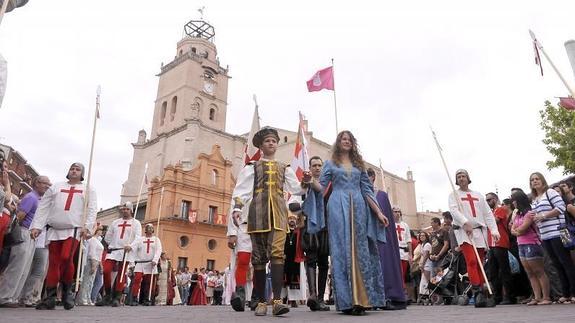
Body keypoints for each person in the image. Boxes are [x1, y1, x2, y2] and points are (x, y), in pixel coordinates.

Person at [305, 130, 388, 315]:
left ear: (353, 143)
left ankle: (363, 300)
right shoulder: (330, 163)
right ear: (338, 142)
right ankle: (347, 302)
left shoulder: (359, 165)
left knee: (361, 251)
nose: (346, 141)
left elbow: (367, 190)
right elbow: (321, 187)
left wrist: (379, 212)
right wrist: (311, 181)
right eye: (343, 139)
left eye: (349, 139)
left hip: (359, 207)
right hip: (337, 206)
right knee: (341, 250)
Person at [230, 127, 305, 316]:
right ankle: (262, 301)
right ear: (261, 145)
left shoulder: (284, 167)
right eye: (267, 141)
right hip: (257, 215)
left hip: (279, 216)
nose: (271, 143)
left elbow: (297, 189)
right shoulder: (251, 167)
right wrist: (238, 208)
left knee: (278, 255)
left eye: (274, 141)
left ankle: (277, 301)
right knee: (259, 258)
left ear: (277, 144)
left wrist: (307, 182)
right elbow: (241, 191)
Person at [30, 163, 98, 310]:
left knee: (66, 258)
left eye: (77, 169)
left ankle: (67, 292)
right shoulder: (55, 187)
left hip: (73, 229)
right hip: (54, 228)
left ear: (82, 173)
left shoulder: (88, 189)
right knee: (54, 262)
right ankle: (50, 297)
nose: (74, 171)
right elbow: (44, 206)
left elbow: (92, 209)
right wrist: (37, 226)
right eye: (72, 169)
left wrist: (87, 227)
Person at [448, 169, 499, 307]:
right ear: (456, 180)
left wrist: (494, 230)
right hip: (465, 232)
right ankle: (477, 293)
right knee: (471, 261)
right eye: (458, 176)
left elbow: (487, 213)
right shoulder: (454, 195)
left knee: (480, 263)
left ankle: (484, 292)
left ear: (468, 178)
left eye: (463, 176)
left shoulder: (478, 195)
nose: (461, 178)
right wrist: (465, 222)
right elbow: (454, 211)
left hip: (479, 232)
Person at [0, 176, 50, 308]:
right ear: (37, 183)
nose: (48, 186)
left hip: (31, 234)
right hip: (24, 232)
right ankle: (4, 296)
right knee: (16, 267)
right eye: (46, 184)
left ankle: (13, 296)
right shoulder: (31, 198)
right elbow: (20, 216)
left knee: (24, 269)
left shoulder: (38, 199)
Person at [530, 172, 575, 303]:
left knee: (566, 262)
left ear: (543, 180)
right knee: (556, 264)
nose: (535, 181)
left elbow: (561, 208)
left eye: (537, 179)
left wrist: (543, 216)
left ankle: (573, 292)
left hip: (558, 232)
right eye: (532, 180)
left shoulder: (550, 192)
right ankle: (565, 293)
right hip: (545, 235)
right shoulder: (535, 199)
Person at [367, 168, 407, 310]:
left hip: (381, 238)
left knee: (384, 265)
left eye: (366, 176)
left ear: (372, 177)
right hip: (365, 237)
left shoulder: (381, 196)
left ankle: (388, 296)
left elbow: (387, 222)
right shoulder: (359, 194)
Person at [510, 190, 551, 305]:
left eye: (514, 200)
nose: (513, 203)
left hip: (532, 243)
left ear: (518, 200)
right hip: (521, 244)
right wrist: (516, 231)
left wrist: (516, 231)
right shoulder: (517, 214)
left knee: (539, 271)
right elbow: (512, 230)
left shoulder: (530, 213)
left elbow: (523, 229)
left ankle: (546, 297)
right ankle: (537, 297)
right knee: (530, 273)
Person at [98, 202, 142, 306]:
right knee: (106, 270)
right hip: (114, 250)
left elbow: (138, 237)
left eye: (127, 209)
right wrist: (114, 244)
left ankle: (117, 297)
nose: (124, 211)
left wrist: (130, 246)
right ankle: (107, 295)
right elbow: (108, 237)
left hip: (126, 251)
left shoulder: (136, 223)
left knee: (121, 275)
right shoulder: (115, 222)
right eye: (123, 209)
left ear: (131, 210)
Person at [301, 156, 330, 311]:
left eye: (320, 165)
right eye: (314, 165)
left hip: (325, 224)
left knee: (324, 261)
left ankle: (320, 299)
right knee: (311, 259)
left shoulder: (328, 183)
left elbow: (324, 193)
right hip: (310, 224)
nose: (317, 168)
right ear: (310, 167)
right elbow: (298, 197)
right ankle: (312, 295)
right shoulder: (304, 183)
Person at [485, 192, 514, 305]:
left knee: (504, 271)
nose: (488, 202)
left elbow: (493, 222)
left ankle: (510, 296)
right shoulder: (490, 212)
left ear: (495, 199)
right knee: (493, 272)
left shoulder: (500, 209)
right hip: (492, 244)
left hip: (500, 243)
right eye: (486, 200)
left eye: (489, 199)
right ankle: (497, 296)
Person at [126, 224, 162, 306]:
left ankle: (147, 299)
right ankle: (134, 298)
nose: (149, 229)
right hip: (140, 263)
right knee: (137, 280)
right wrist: (129, 247)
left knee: (149, 282)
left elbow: (158, 250)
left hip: (150, 263)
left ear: (153, 230)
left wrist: (155, 260)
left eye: (151, 228)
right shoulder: (140, 239)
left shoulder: (156, 240)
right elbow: (134, 246)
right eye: (148, 228)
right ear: (145, 230)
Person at [77, 225, 104, 305]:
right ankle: (82, 298)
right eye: (99, 229)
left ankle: (88, 298)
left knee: (91, 281)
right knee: (87, 280)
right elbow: (92, 252)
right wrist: (93, 263)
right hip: (91, 260)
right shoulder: (92, 240)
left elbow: (100, 254)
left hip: (97, 260)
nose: (101, 231)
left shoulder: (98, 240)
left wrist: (99, 263)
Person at [417, 232, 432, 301]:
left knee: (427, 280)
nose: (421, 237)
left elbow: (426, 255)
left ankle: (429, 295)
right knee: (423, 280)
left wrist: (422, 265)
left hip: (427, 264)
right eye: (420, 236)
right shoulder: (422, 244)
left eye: (423, 235)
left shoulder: (427, 245)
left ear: (426, 236)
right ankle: (424, 295)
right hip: (424, 264)